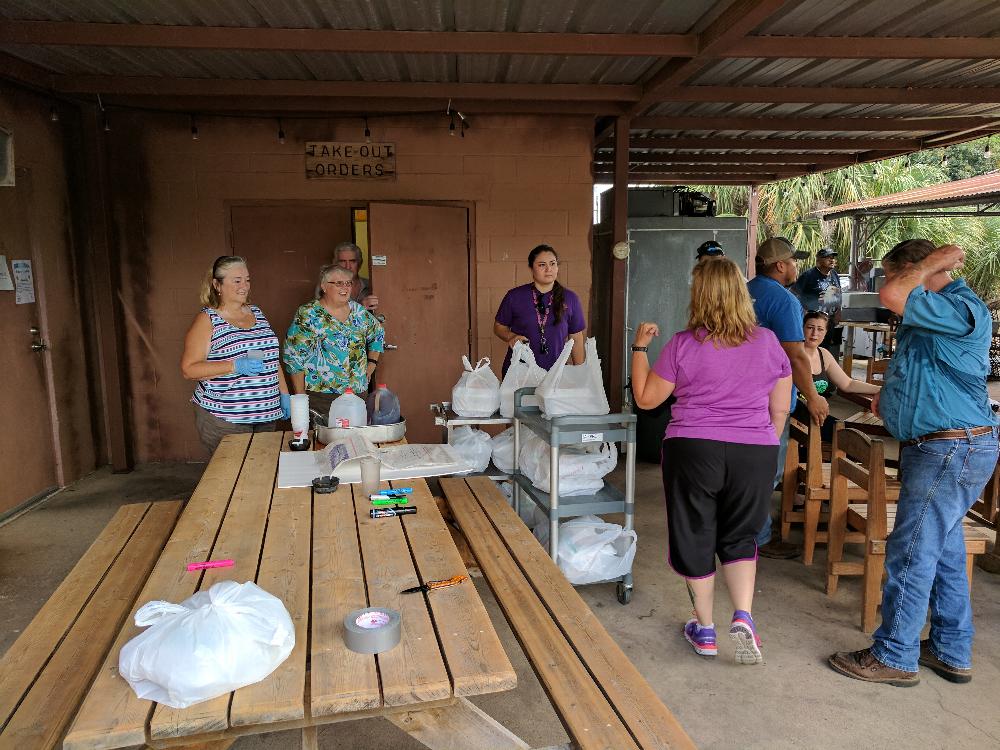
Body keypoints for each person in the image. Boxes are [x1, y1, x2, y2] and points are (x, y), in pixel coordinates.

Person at [829, 240, 999, 687]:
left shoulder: (956, 307)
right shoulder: (934, 310)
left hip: (948, 449)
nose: (885, 284)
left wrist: (928, 264)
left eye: (890, 273)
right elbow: (925, 364)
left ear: (918, 271)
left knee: (911, 552)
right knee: (943, 550)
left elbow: (894, 296)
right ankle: (951, 648)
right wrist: (894, 395)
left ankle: (895, 654)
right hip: (946, 446)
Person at [631, 257, 792, 665]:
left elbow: (647, 399)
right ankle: (743, 616)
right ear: (743, 293)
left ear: (697, 296)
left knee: (696, 533)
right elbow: (780, 409)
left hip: (693, 449)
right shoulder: (769, 343)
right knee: (740, 537)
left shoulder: (684, 344)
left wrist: (639, 349)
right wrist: (760, 446)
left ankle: (704, 630)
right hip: (754, 450)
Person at [747, 237, 830, 559]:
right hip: (771, 401)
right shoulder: (783, 301)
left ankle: (734, 528)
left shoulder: (744, 291)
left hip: (739, 394)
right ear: (780, 265)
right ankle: (759, 538)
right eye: (793, 261)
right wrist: (813, 396)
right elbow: (795, 356)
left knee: (743, 466)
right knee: (767, 471)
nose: (797, 266)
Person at [181, 255, 290, 452]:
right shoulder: (208, 320)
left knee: (261, 474)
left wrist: (283, 393)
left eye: (247, 280)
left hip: (266, 416)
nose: (245, 286)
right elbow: (189, 369)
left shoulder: (256, 312)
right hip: (225, 419)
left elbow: (270, 358)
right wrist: (234, 365)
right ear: (217, 285)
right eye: (237, 281)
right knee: (233, 478)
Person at [283, 264, 385, 418]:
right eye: (338, 283)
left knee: (355, 438)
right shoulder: (309, 314)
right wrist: (300, 399)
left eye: (348, 283)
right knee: (324, 440)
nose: (345, 287)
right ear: (324, 286)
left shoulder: (359, 312)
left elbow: (377, 333)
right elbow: (293, 357)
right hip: (322, 396)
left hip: (357, 394)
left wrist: (371, 363)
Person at [494, 244, 587, 375]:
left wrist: (580, 373)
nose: (549, 269)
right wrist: (512, 336)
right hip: (519, 373)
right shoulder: (514, 296)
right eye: (542, 265)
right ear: (531, 268)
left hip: (555, 374)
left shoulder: (570, 298)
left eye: (553, 264)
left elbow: (576, 339)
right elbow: (499, 326)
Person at [794, 310, 880, 443]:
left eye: (820, 329)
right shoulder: (794, 354)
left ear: (826, 332)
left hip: (818, 415)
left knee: (850, 436)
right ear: (802, 328)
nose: (815, 333)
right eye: (810, 328)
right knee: (844, 438)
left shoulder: (824, 354)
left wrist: (880, 390)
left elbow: (848, 384)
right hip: (796, 413)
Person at [792, 247, 844, 358]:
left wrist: (839, 310)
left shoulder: (834, 274)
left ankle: (824, 370)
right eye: (828, 257)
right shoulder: (809, 275)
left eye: (833, 258)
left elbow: (838, 292)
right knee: (812, 348)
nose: (832, 260)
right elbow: (794, 294)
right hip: (813, 321)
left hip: (829, 320)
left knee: (826, 350)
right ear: (819, 260)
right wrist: (804, 311)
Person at [334, 241, 378, 313]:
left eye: (352, 261)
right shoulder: (327, 286)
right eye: (342, 261)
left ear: (359, 264)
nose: (348, 266)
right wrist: (359, 307)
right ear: (336, 264)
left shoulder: (370, 285)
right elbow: (323, 318)